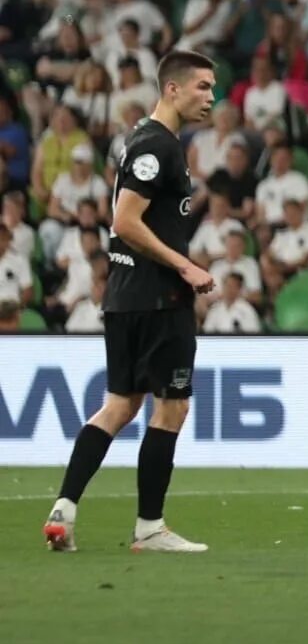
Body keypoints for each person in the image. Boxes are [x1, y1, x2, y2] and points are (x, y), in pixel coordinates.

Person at [43, 50, 217, 555]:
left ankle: (63, 511)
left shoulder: (141, 138)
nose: (211, 96)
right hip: (158, 299)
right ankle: (149, 528)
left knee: (120, 406)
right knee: (172, 407)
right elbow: (124, 221)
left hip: (124, 296)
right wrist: (184, 266)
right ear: (173, 89)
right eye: (203, 86)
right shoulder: (158, 146)